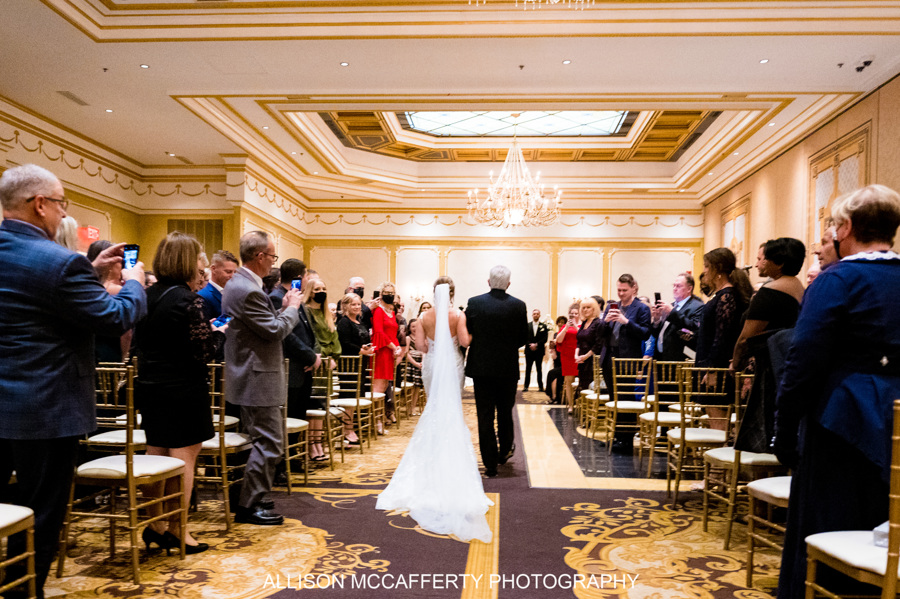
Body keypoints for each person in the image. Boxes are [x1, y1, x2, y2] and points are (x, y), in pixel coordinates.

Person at [0, 164, 147, 599]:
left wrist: (89, 268)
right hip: (45, 408)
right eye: (62, 203)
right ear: (40, 204)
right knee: (41, 510)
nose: (64, 213)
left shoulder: (63, 263)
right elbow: (115, 317)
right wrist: (135, 284)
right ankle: (21, 593)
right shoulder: (59, 263)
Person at [772, 185, 900, 598]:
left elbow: (803, 362)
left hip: (843, 421)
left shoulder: (838, 280)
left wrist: (784, 429)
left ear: (844, 227)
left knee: (831, 522)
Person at [376, 279, 493, 543]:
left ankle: (432, 453)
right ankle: (449, 454)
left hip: (432, 366)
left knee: (434, 408)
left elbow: (422, 348)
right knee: (452, 409)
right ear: (452, 293)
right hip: (452, 364)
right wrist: (474, 334)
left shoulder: (424, 316)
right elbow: (464, 342)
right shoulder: (458, 315)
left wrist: (433, 340)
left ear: (433, 293)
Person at [135, 232, 227, 555]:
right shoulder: (191, 301)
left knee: (156, 453)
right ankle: (179, 528)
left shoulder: (145, 296)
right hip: (183, 388)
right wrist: (220, 333)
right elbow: (205, 353)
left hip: (149, 385)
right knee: (184, 456)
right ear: (189, 263)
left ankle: (155, 524)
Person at [221, 231, 302, 526]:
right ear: (259, 257)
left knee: (261, 439)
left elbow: (262, 325)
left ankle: (250, 494)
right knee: (270, 442)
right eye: (272, 257)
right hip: (257, 376)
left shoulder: (241, 284)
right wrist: (292, 308)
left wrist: (281, 311)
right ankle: (248, 505)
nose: (273, 263)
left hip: (251, 373)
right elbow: (274, 332)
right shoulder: (248, 289)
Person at [463, 265, 528, 478]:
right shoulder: (519, 306)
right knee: (505, 412)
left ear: (488, 281)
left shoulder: (474, 303)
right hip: (508, 369)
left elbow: (469, 333)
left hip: (482, 369)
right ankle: (504, 451)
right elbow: (522, 338)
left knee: (485, 415)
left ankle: (490, 464)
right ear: (509, 284)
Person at [694, 247, 753, 430]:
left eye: (706, 266)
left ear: (718, 270)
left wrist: (712, 370)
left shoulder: (726, 296)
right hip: (710, 364)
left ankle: (717, 457)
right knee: (713, 417)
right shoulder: (721, 295)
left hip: (717, 369)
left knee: (718, 423)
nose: (704, 271)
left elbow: (722, 337)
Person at [650, 273, 705, 362]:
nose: (674, 289)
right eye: (674, 286)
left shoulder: (698, 306)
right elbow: (658, 334)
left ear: (689, 289)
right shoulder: (671, 306)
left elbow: (694, 327)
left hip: (680, 359)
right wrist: (656, 320)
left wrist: (672, 312)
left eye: (678, 286)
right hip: (661, 358)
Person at [371, 282, 402, 433]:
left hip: (389, 352)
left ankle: (381, 418)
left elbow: (393, 332)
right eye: (387, 292)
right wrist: (392, 346)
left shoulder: (392, 311)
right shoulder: (378, 311)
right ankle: (377, 422)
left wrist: (396, 348)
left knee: (384, 388)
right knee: (377, 388)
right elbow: (378, 332)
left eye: (392, 292)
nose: (389, 294)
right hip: (381, 351)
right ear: (381, 294)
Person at [575, 296, 605, 398]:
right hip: (582, 360)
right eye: (583, 308)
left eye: (588, 307)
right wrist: (576, 355)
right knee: (582, 386)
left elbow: (598, 344)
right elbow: (579, 340)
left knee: (589, 387)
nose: (585, 310)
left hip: (592, 360)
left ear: (594, 309)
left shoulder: (598, 323)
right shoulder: (584, 323)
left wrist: (585, 356)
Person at [197, 249, 239, 321]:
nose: (233, 276)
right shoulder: (202, 296)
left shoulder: (235, 294)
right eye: (228, 272)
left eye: (235, 272)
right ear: (213, 269)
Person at [555, 305, 580, 412]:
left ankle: (580, 404)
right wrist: (566, 328)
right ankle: (570, 405)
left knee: (581, 382)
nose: (574, 315)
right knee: (569, 381)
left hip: (579, 355)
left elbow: (584, 337)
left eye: (576, 313)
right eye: (572, 314)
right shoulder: (564, 326)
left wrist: (575, 326)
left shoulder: (583, 325)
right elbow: (558, 340)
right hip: (567, 356)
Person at [523, 309, 549, 392]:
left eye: (537, 314)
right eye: (534, 314)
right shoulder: (527, 325)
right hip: (529, 351)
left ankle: (540, 387)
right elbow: (524, 337)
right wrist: (530, 345)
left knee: (539, 369)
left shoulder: (543, 326)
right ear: (532, 315)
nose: (536, 315)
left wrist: (537, 344)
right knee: (528, 369)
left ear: (539, 315)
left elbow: (545, 338)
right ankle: (526, 386)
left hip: (539, 351)